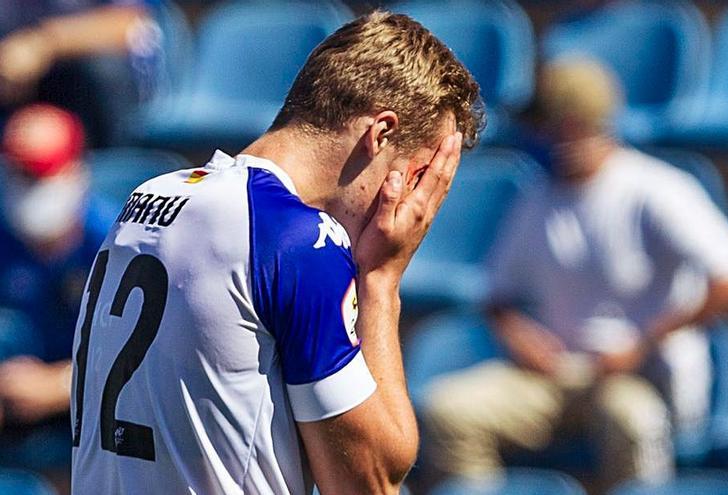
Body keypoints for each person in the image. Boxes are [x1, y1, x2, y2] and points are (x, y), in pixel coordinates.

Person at [70, 11, 481, 494]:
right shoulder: (297, 240)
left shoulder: (147, 197)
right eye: (417, 178)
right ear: (380, 134)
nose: (413, 207)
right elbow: (370, 480)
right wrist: (382, 280)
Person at [424, 60, 728, 490]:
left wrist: (642, 343)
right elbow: (497, 297)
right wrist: (523, 339)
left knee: (633, 423)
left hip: (636, 380)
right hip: (553, 380)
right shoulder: (537, 197)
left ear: (575, 124)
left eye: (546, 125)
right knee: (449, 411)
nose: (537, 138)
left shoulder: (655, 189)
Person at [0, 104, 114, 431]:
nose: (27, 184)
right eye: (18, 172)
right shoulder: (6, 235)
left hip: (90, 418)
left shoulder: (112, 243)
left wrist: (58, 385)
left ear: (74, 170)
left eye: (39, 173)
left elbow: (146, 354)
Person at [0, 0, 158, 145]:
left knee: (103, 67)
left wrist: (43, 43)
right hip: (19, 99)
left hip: (95, 100)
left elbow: (130, 23)